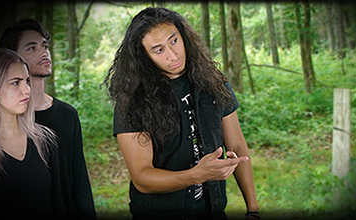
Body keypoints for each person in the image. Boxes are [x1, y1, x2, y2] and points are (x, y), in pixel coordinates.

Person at [102, 7, 260, 219]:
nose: (173, 54)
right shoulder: (132, 101)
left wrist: (253, 210)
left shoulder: (214, 82)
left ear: (183, 36)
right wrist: (197, 175)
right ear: (144, 57)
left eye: (174, 41)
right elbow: (141, 177)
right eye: (158, 50)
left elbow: (238, 146)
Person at [0, 19, 96, 219]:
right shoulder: (5, 120)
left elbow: (80, 183)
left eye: (44, 45)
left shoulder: (68, 114)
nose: (44, 52)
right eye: (32, 47)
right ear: (12, 57)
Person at [0, 49, 65, 219]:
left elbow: (57, 205)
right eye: (15, 82)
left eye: (27, 81)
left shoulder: (45, 140)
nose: (27, 90)